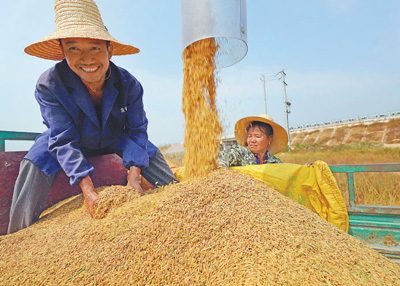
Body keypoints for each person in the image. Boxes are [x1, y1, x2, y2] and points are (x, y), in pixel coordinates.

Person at [7, 0, 177, 234]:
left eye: (95, 47)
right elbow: (62, 139)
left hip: (114, 137)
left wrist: (134, 178)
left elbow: (137, 131)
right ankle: (17, 236)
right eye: (73, 48)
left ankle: (179, 207)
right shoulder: (50, 84)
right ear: (63, 51)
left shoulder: (129, 84)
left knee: (149, 153)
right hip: (71, 138)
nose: (86, 59)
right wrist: (88, 190)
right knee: (35, 160)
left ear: (110, 50)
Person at [218, 114, 288, 167]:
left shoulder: (276, 163)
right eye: (249, 136)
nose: (252, 140)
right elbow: (224, 157)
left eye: (257, 136)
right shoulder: (240, 154)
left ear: (269, 139)